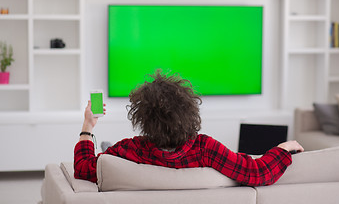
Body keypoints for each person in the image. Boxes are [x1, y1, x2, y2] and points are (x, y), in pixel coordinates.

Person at [74, 70, 304, 185]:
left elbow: (83, 168)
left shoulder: (128, 150)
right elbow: (257, 172)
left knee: (106, 150)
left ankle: (104, 145)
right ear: (189, 111)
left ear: (143, 118)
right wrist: (284, 148)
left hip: (126, 157)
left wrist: (88, 125)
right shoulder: (207, 149)